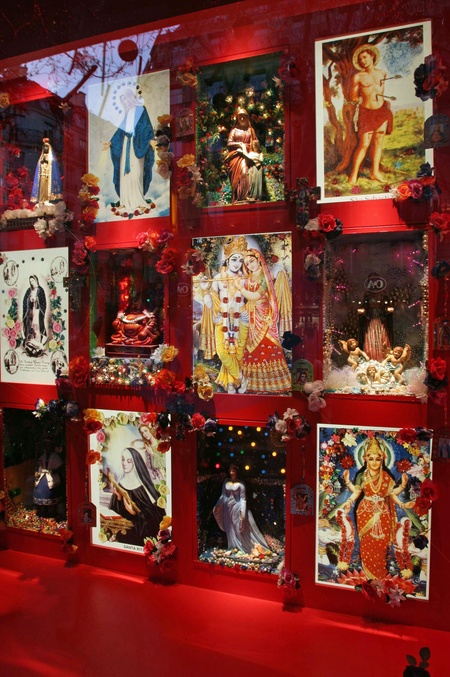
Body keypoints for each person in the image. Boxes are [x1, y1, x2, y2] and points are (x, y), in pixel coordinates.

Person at [342, 437, 413, 580]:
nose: (374, 462)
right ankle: (369, 577)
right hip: (365, 513)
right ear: (365, 459)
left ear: (382, 460)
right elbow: (357, 492)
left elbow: (391, 493)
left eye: (377, 459)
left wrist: (402, 491)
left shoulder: (386, 476)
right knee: (367, 545)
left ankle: (380, 576)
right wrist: (348, 496)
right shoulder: (361, 476)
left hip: (382, 514)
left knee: (381, 546)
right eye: (371, 459)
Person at [198, 236, 250, 393]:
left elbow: (252, 300)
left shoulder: (245, 279)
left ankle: (230, 383)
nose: (237, 263)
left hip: (241, 320)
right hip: (222, 320)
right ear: (227, 259)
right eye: (234, 259)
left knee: (238, 354)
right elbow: (210, 302)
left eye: (240, 260)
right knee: (222, 352)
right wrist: (205, 290)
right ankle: (241, 378)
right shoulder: (218, 278)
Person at [236, 248, 291, 394]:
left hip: (263, 313)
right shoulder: (249, 277)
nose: (250, 265)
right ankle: (252, 383)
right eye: (247, 263)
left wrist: (240, 288)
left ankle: (272, 383)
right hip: (250, 314)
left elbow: (255, 296)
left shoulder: (265, 276)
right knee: (249, 346)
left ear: (259, 260)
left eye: (252, 261)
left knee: (266, 344)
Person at [347, 45, 393, 185]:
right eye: (360, 59)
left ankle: (375, 172)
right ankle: (353, 175)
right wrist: (358, 98)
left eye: (365, 57)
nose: (363, 61)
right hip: (366, 112)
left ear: (372, 56)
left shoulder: (382, 73)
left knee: (378, 142)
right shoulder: (358, 77)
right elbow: (353, 97)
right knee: (364, 144)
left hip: (382, 111)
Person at [104, 87, 154, 215]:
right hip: (125, 144)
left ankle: (138, 200)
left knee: (136, 172)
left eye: (125, 99)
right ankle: (125, 201)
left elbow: (146, 126)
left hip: (137, 145)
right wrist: (111, 142)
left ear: (130, 97)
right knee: (124, 174)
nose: (124, 102)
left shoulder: (140, 110)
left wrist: (150, 140)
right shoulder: (127, 113)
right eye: (122, 100)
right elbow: (120, 131)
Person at [108, 447, 164, 546]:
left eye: (129, 461)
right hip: (125, 532)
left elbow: (156, 516)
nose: (124, 463)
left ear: (135, 463)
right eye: (123, 459)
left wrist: (135, 513)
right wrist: (118, 497)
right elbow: (116, 514)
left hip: (141, 535)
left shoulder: (144, 486)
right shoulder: (120, 484)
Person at [213, 465, 269, 554]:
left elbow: (243, 499)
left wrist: (242, 512)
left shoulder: (241, 484)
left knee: (238, 527)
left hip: (237, 507)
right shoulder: (226, 481)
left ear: (237, 472)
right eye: (230, 470)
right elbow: (223, 496)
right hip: (227, 508)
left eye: (233, 471)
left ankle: (243, 547)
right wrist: (218, 505)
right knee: (229, 527)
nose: (231, 473)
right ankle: (233, 546)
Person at [224, 108, 259, 203]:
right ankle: (239, 197)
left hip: (248, 155)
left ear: (247, 118)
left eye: (244, 117)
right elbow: (229, 143)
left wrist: (253, 146)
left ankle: (246, 195)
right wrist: (239, 144)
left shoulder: (250, 130)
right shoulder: (234, 131)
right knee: (242, 172)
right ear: (237, 119)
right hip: (236, 156)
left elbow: (255, 143)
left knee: (246, 172)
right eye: (240, 117)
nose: (242, 119)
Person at [33, 440, 65, 518]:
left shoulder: (56, 457)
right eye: (46, 445)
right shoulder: (43, 457)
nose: (47, 447)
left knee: (52, 495)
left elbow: (61, 467)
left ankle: (52, 513)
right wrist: (37, 472)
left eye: (49, 445)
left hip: (52, 478)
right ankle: (43, 511)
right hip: (43, 477)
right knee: (41, 494)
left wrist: (54, 471)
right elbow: (39, 465)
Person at [30, 138, 63, 204]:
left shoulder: (51, 159)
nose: (45, 148)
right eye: (44, 147)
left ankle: (47, 200)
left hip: (48, 177)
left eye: (47, 147)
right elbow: (39, 168)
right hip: (42, 176)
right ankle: (41, 200)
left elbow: (53, 168)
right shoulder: (41, 158)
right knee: (42, 189)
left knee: (47, 189)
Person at [22, 275, 47, 357]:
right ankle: (30, 342)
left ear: (36, 280)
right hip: (30, 311)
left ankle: (38, 343)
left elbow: (43, 302)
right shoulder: (29, 290)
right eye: (30, 281)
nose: (32, 282)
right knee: (30, 326)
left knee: (37, 326)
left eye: (33, 280)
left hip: (37, 311)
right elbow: (25, 301)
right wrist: (29, 300)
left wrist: (37, 301)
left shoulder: (40, 290)